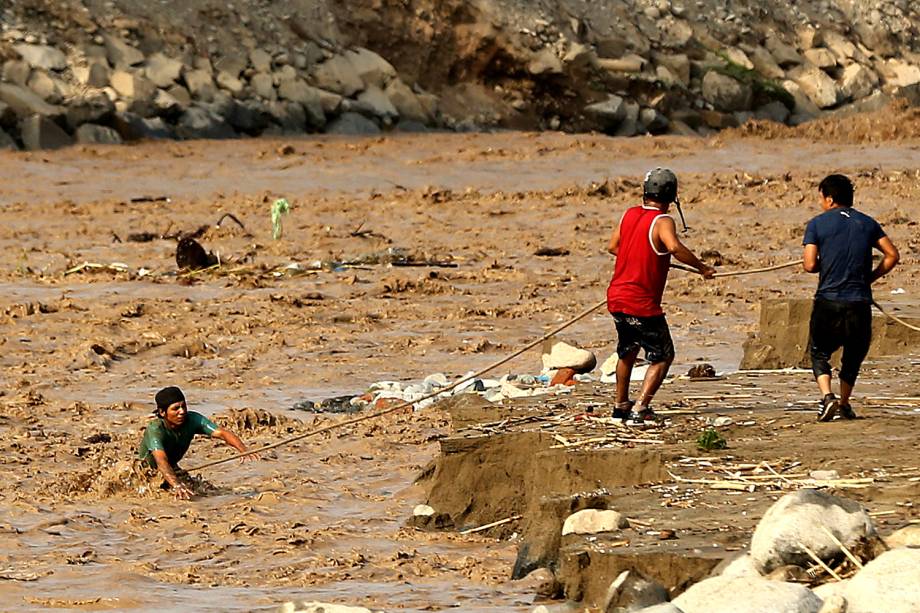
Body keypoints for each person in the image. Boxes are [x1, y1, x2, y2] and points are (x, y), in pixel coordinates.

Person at [606, 168, 715, 424]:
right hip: (641, 303)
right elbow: (674, 247)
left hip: (617, 298)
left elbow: (613, 247)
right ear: (672, 197)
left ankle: (620, 405)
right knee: (664, 355)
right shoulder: (663, 221)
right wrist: (702, 267)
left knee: (627, 351)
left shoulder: (629, 214)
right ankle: (640, 407)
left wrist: (644, 257)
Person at [803, 174, 900, 421]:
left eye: (821, 198)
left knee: (818, 351)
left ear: (830, 199)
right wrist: (869, 277)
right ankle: (844, 403)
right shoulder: (867, 223)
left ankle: (827, 397)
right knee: (853, 356)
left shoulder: (817, 224)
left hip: (828, 300)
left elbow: (809, 264)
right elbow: (892, 255)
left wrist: (826, 264)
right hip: (859, 302)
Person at [138, 386, 259, 499]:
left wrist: (243, 449)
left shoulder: (193, 419)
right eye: (175, 408)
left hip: (172, 468)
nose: (182, 412)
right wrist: (176, 485)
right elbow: (161, 460)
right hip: (146, 473)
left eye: (184, 406)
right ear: (162, 412)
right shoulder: (155, 429)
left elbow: (222, 433)